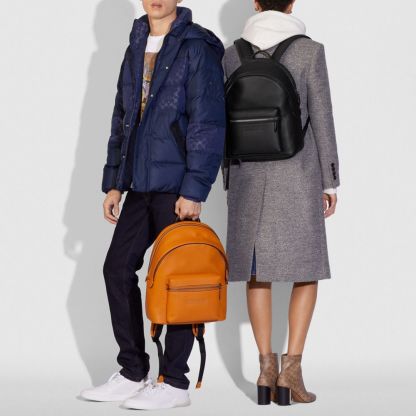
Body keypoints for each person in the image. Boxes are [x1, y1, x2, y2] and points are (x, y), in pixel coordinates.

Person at [80, 0, 225, 410]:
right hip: (139, 185)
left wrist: (194, 189)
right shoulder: (135, 43)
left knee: (178, 280)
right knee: (116, 269)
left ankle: (175, 382)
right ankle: (133, 372)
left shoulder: (196, 46)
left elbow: (208, 122)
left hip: (176, 186)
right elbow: (122, 118)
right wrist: (114, 183)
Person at [222, 0, 340, 405]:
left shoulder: (232, 54)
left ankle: (265, 369)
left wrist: (227, 177)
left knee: (258, 274)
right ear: (292, 5)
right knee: (306, 269)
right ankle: (291, 371)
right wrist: (330, 180)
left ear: (255, 4)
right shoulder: (310, 51)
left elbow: (222, 121)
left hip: (247, 176)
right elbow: (322, 116)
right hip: (298, 172)